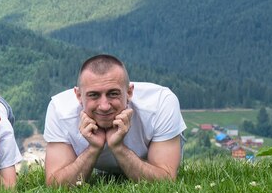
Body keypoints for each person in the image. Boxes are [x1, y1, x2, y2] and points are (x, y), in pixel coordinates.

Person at [44, 54, 186, 186]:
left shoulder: (161, 103)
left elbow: (165, 181)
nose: (104, 106)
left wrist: (118, 148)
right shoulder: (60, 110)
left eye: (113, 94)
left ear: (129, 92)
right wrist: (93, 149)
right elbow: (55, 184)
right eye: (94, 95)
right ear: (78, 96)